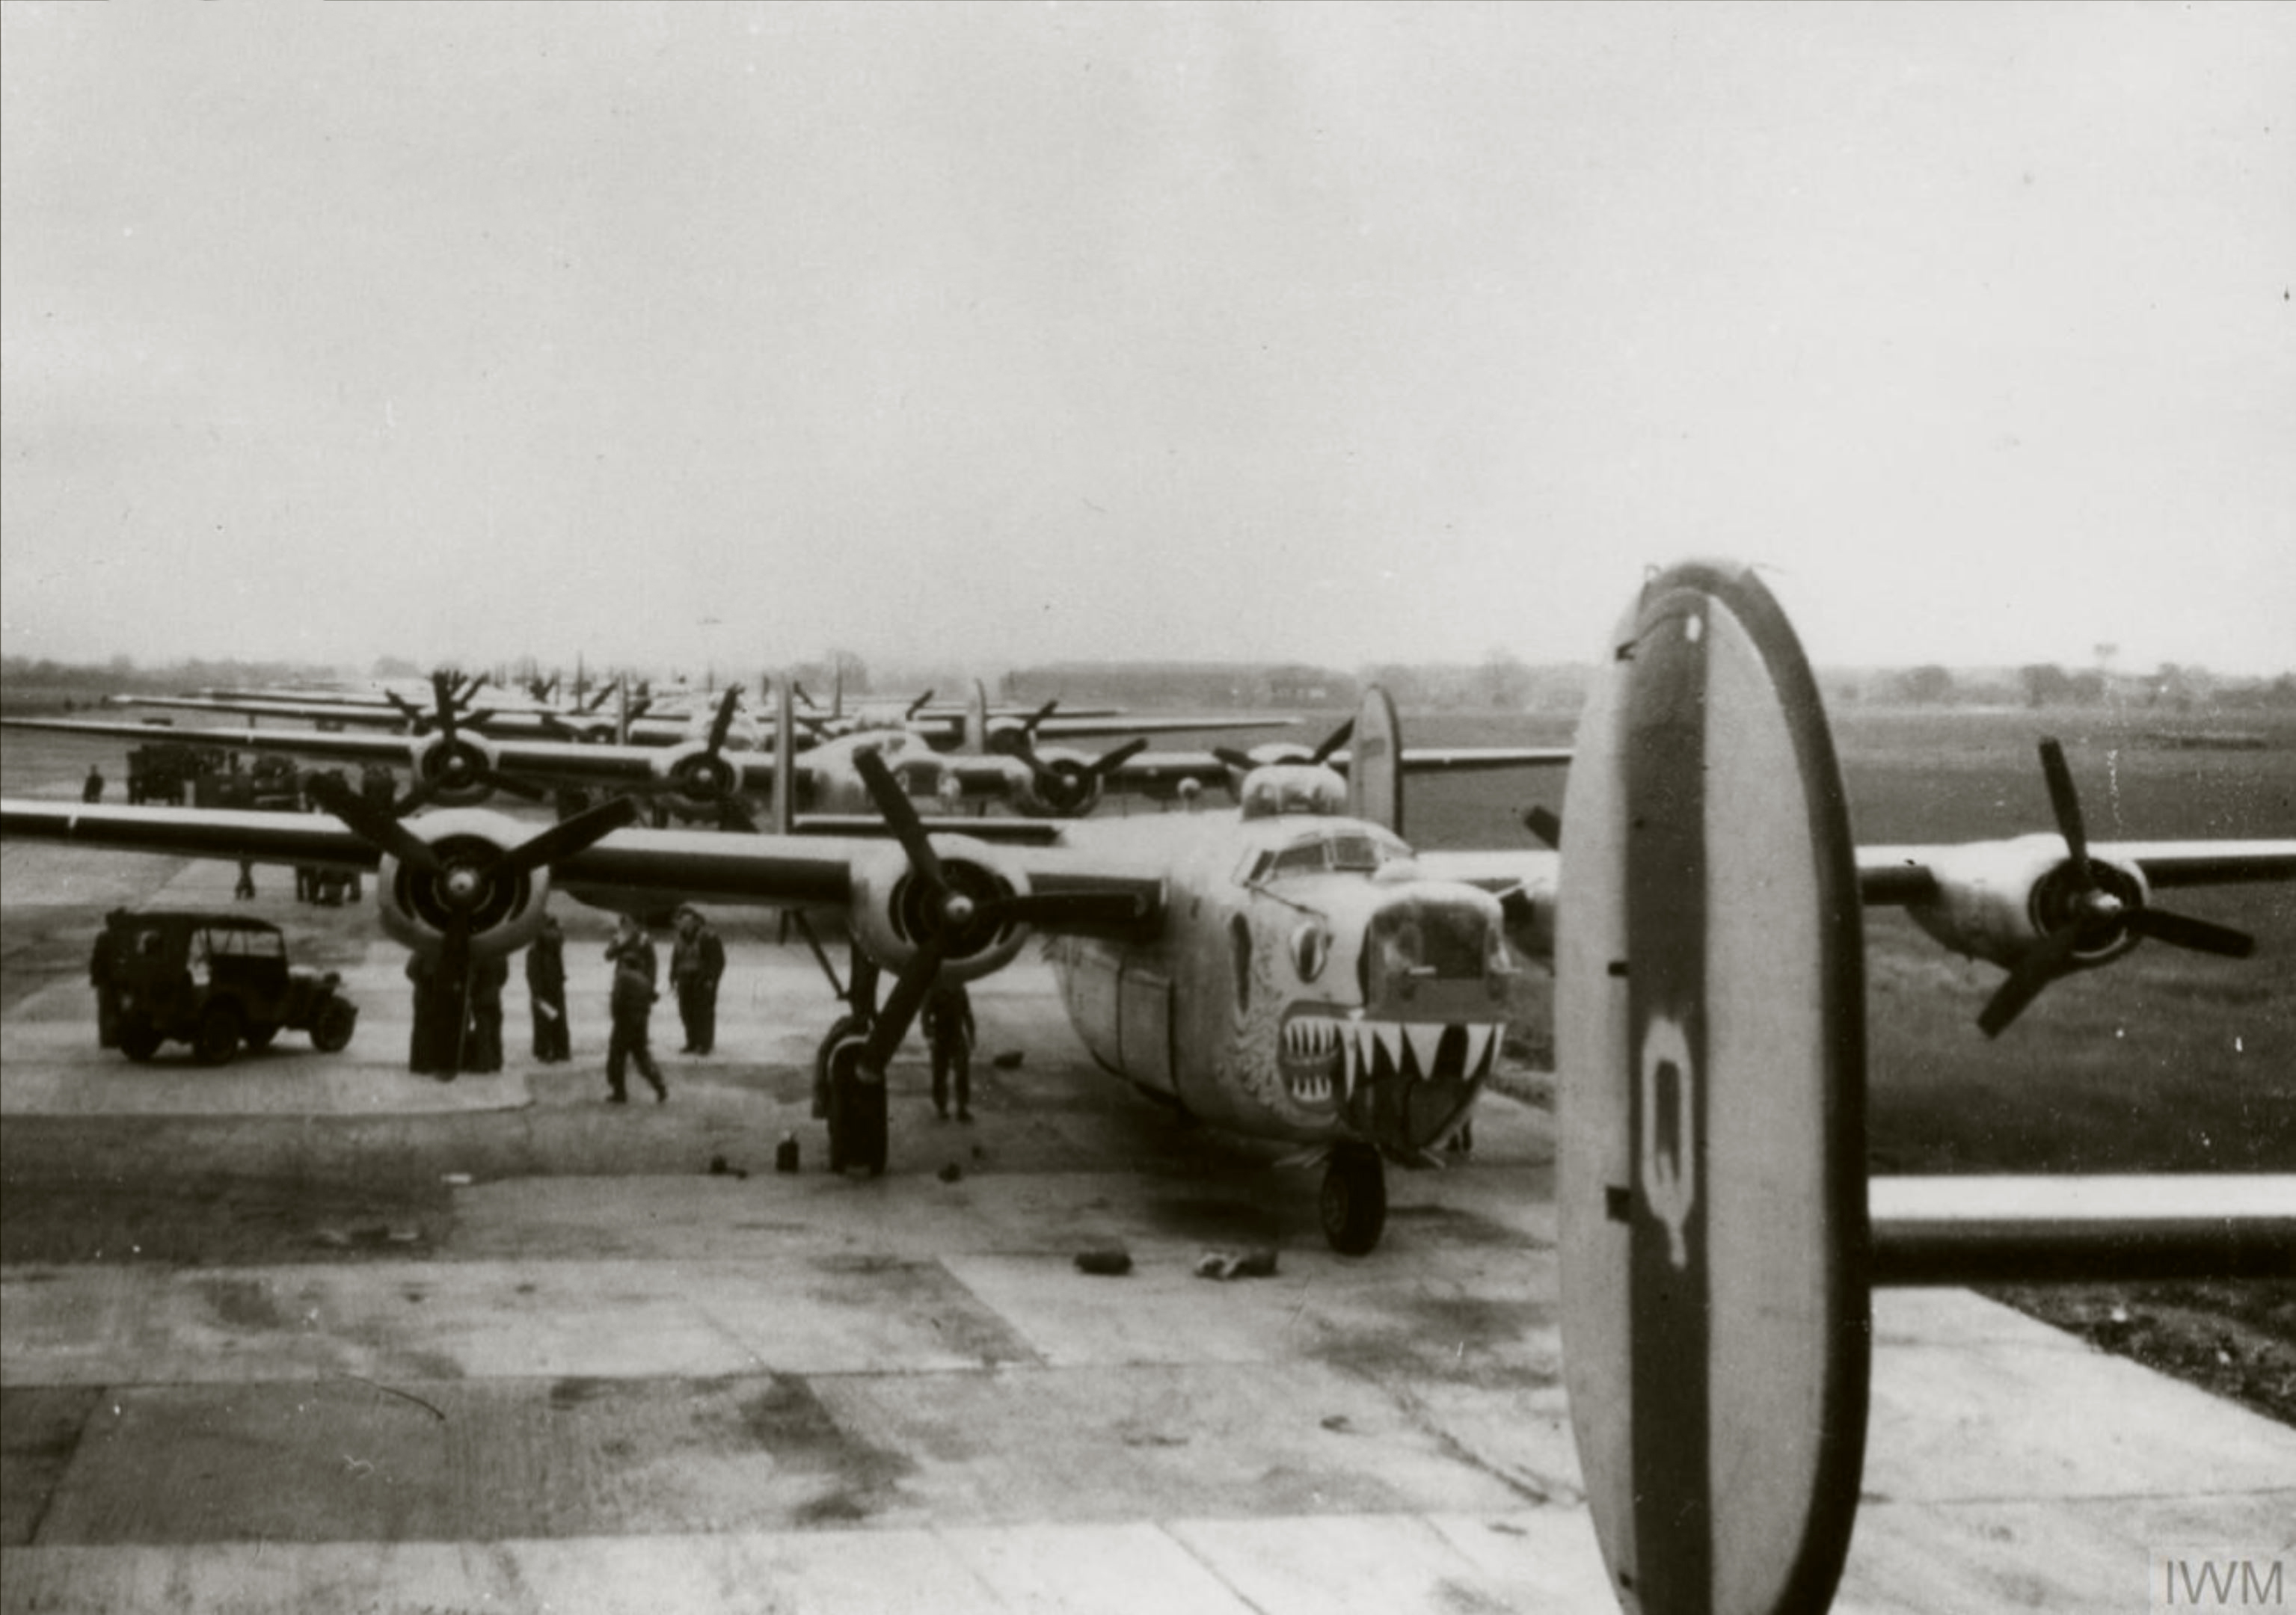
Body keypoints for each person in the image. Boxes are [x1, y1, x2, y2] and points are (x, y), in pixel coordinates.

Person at [604, 915, 666, 1104]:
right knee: (641, 1053)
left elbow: (653, 965)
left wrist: (615, 1015)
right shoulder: (621, 938)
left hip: (626, 1012)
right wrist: (619, 942)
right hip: (641, 1005)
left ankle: (619, 1092)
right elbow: (608, 955)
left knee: (617, 1054)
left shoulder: (643, 940)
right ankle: (659, 1085)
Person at [669, 905, 725, 1056]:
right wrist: (672, 977)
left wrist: (711, 979)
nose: (681, 924)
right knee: (686, 1011)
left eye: (685, 921)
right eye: (679, 921)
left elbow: (717, 961)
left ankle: (705, 1044)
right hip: (685, 978)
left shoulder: (708, 936)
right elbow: (676, 958)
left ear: (694, 921)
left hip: (702, 979)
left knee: (703, 1012)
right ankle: (692, 1042)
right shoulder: (680, 936)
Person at [924, 982, 975, 1122]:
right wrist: (929, 1036)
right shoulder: (934, 990)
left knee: (962, 1072)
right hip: (940, 1037)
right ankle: (941, 1108)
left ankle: (962, 1108)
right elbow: (925, 1015)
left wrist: (972, 1036)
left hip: (957, 1037)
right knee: (940, 1074)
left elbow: (967, 1013)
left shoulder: (960, 990)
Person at [525, 914, 569, 1062]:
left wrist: (535, 992)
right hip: (556, 987)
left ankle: (544, 1050)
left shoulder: (537, 947)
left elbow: (532, 973)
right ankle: (561, 1050)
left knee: (542, 1020)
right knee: (558, 1018)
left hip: (542, 989)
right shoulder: (556, 946)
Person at [466, 953, 509, 1073]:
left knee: (483, 1030)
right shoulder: (501, 955)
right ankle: (497, 1061)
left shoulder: (480, 954)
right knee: (495, 1030)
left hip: (481, 997)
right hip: (495, 996)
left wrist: (471, 992)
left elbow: (473, 978)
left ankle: (483, 1063)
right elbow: (503, 977)